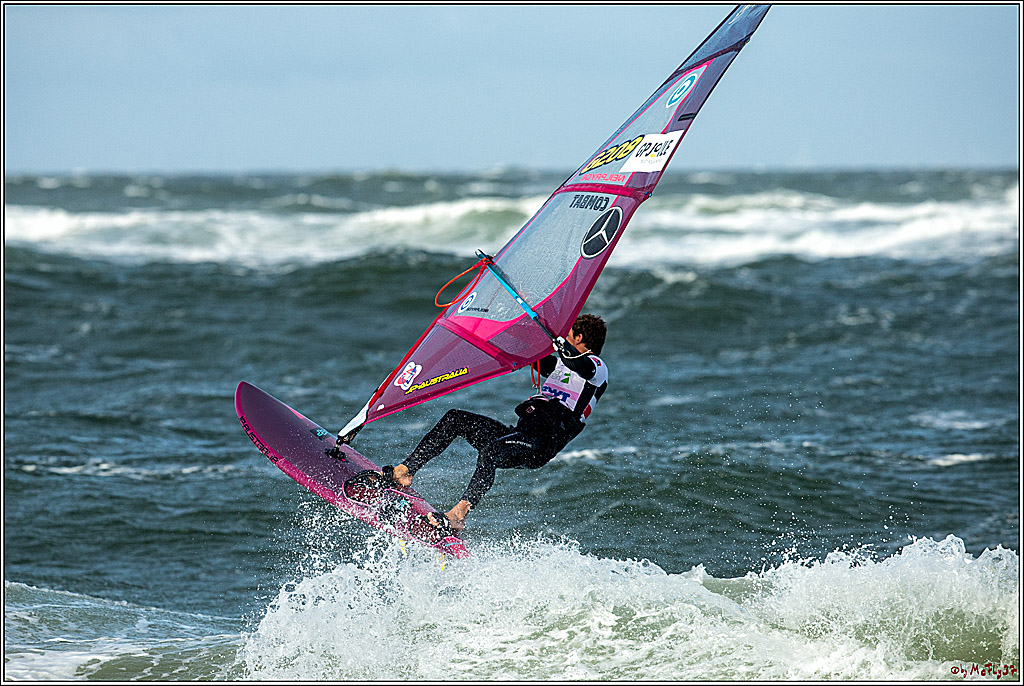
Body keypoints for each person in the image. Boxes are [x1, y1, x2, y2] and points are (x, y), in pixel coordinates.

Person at [382, 313, 608, 533]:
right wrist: (513, 323)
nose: (565, 337)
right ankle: (404, 471)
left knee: (491, 451)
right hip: (521, 433)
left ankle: (458, 516)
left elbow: (580, 366)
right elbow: (528, 351)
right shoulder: (560, 366)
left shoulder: (597, 368)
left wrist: (558, 343)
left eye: (568, 334)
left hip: (541, 443)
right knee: (455, 419)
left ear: (579, 338)